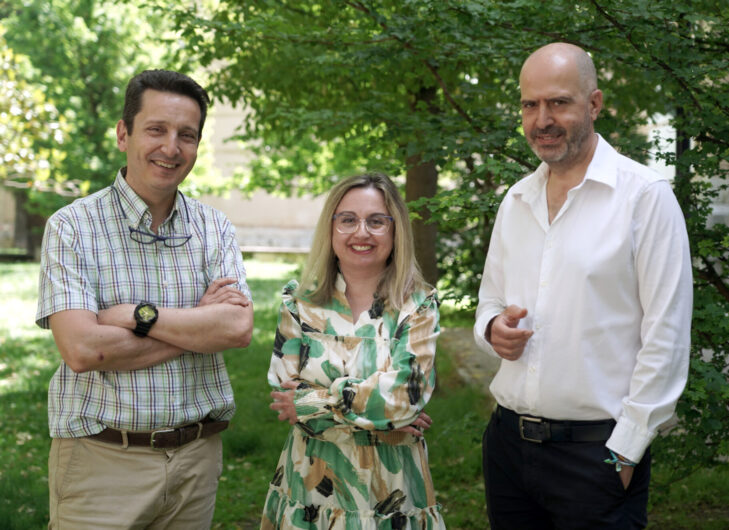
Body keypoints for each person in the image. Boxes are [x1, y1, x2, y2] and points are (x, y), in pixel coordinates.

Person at [474, 43, 693, 529]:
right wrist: (492, 329)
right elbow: (489, 299)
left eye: (559, 103)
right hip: (508, 448)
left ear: (593, 104)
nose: (542, 119)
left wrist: (626, 454)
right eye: (530, 105)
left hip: (599, 457)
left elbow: (668, 339)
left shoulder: (645, 199)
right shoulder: (516, 199)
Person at [36, 69, 254, 529]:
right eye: (156, 129)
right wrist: (199, 325)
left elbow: (236, 329)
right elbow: (84, 350)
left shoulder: (215, 228)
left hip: (197, 461)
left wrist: (137, 318)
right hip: (103, 464)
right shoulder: (72, 227)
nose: (171, 148)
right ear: (123, 133)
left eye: (186, 135)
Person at [260, 173, 446, 529]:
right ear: (331, 229)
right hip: (311, 485)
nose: (362, 232)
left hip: (391, 491)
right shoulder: (299, 303)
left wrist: (313, 403)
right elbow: (285, 392)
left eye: (377, 221)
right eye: (348, 220)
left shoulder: (418, 306)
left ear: (396, 231)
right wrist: (384, 416)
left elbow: (404, 399)